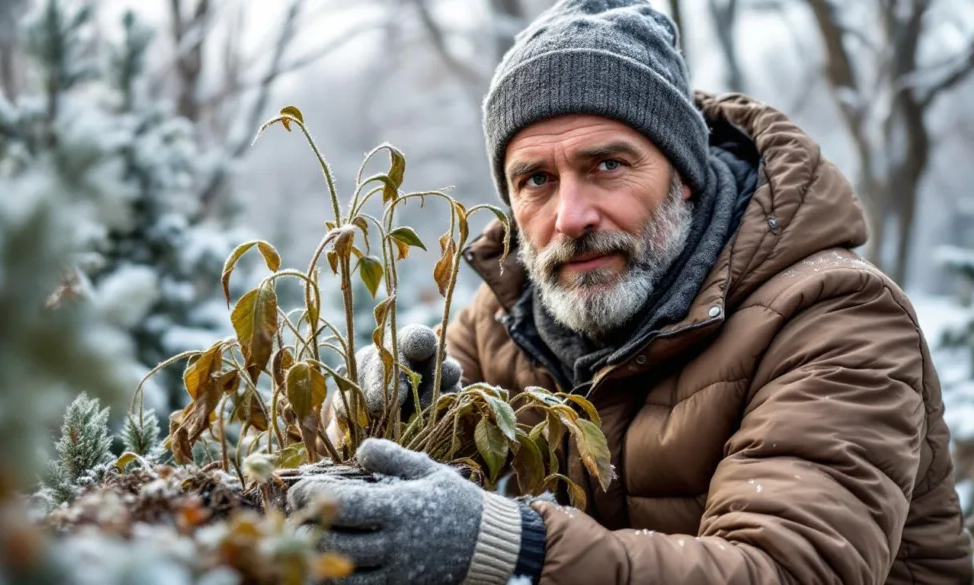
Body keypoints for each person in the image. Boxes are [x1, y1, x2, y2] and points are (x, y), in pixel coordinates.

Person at [292, 1, 974, 583]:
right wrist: (368, 424)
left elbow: (790, 567)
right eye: (536, 180)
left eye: (607, 165)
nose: (571, 216)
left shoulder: (835, 318)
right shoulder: (502, 321)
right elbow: (371, 512)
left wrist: (513, 547)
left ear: (685, 174)